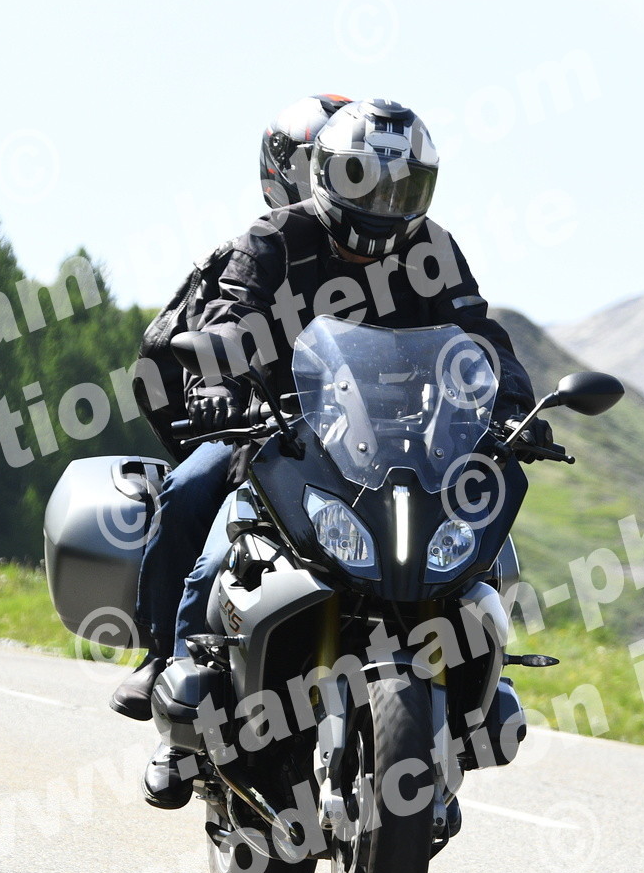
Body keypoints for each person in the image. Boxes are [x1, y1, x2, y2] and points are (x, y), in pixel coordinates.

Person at [140, 98, 546, 808]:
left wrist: (514, 405)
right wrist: (219, 385)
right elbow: (233, 312)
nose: (384, 201)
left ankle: (473, 696)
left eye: (403, 185)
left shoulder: (434, 250)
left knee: (483, 540)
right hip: (278, 430)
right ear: (327, 173)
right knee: (194, 495)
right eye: (366, 179)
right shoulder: (273, 237)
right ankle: (170, 682)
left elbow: (478, 334)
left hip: (399, 445)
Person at [111, 94, 352, 720]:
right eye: (320, 163)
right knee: (190, 493)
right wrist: (216, 389)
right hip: (261, 428)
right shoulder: (260, 246)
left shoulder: (392, 251)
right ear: (282, 168)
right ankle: (166, 659)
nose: (337, 180)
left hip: (363, 445)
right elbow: (216, 321)